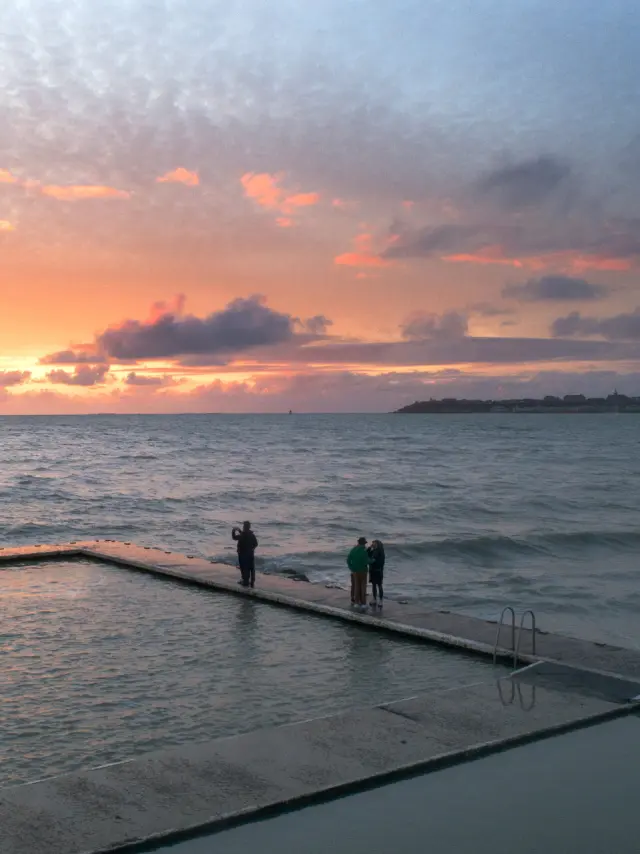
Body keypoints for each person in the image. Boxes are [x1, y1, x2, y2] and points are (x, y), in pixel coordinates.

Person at [232, 521, 258, 588]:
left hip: (242, 554)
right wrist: (252, 549)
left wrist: (233, 530)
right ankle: (252, 581)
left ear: (244, 527)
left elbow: (234, 537)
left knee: (244, 567)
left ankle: (245, 581)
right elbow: (256, 544)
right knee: (251, 567)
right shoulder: (252, 535)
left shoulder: (242, 535)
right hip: (250, 554)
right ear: (249, 527)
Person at [347, 536, 369, 611]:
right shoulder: (364, 550)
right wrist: (373, 560)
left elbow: (348, 560)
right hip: (363, 571)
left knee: (356, 586)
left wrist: (351, 568)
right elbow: (366, 561)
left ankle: (356, 602)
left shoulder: (353, 550)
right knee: (363, 587)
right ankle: (363, 603)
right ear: (363, 543)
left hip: (355, 571)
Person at [368, 540, 386, 608]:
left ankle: (380, 600)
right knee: (373, 585)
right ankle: (374, 599)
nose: (373, 544)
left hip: (378, 570)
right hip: (373, 570)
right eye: (372, 543)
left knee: (379, 585)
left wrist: (373, 561)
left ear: (378, 544)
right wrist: (370, 547)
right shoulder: (373, 551)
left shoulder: (381, 552)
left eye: (374, 543)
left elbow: (380, 561)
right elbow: (367, 553)